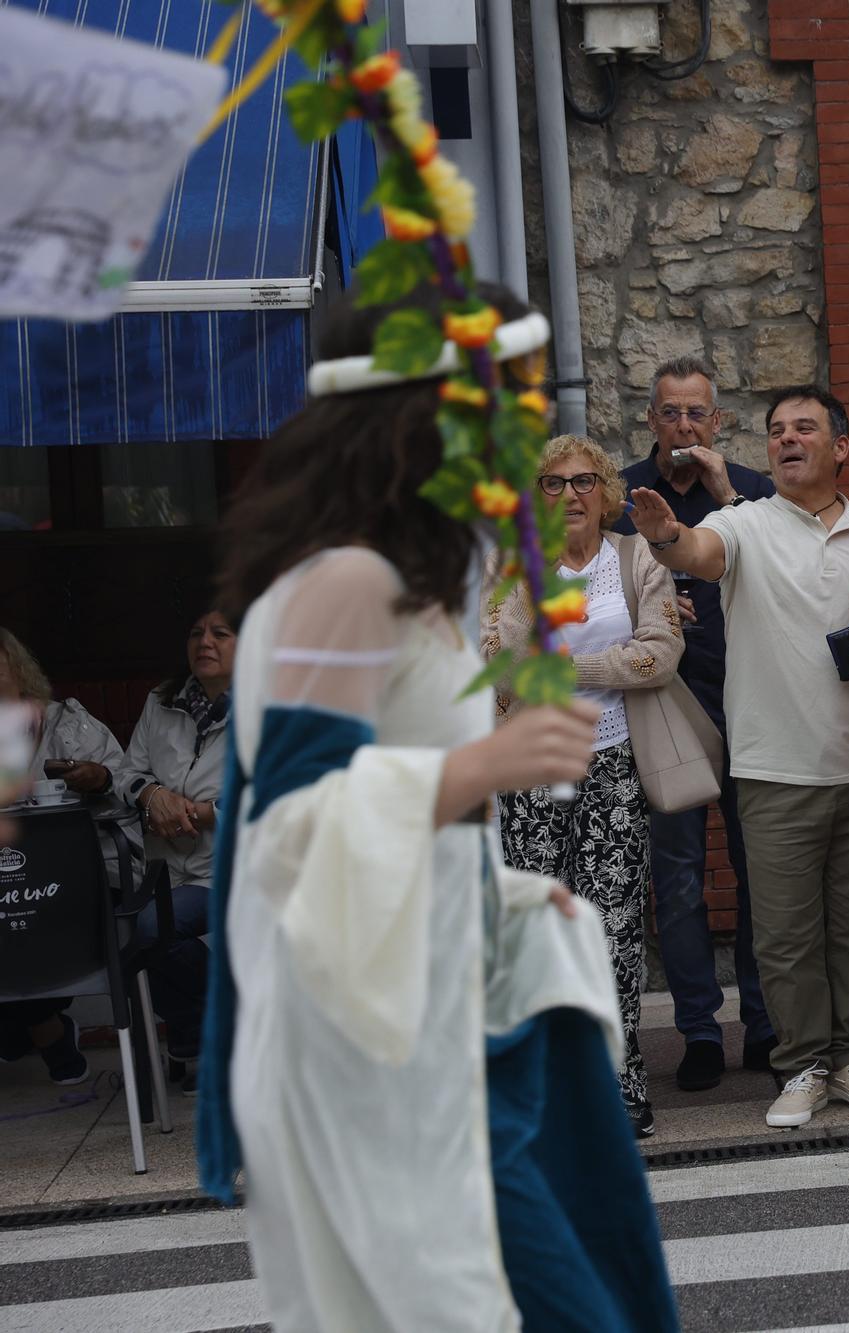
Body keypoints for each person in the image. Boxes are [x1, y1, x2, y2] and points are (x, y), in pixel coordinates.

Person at [204, 287, 676, 1331]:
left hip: (428, 1005)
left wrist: (500, 895)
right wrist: (489, 764)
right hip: (362, 1033)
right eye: (505, 393)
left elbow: (392, 795)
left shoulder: (405, 581)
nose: (524, 424)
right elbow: (290, 822)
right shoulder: (344, 584)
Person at [631, 384, 849, 1132]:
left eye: (804, 428)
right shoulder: (743, 523)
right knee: (785, 935)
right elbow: (699, 551)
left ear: (840, 447)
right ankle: (802, 1065)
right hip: (774, 769)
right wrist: (664, 538)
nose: (787, 439)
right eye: (777, 430)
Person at [490, 433, 686, 1139]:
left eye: (582, 481)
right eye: (551, 482)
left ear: (605, 493)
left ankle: (619, 1080)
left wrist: (574, 668)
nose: (568, 494)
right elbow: (500, 663)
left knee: (614, 931)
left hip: (612, 767)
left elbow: (662, 651)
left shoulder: (634, 560)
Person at [614, 357, 777, 1091]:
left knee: (758, 871)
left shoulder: (752, 492)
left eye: (696, 413)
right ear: (649, 419)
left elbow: (785, 573)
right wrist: (642, 616)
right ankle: (700, 1030)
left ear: (718, 422)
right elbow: (571, 592)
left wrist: (728, 495)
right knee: (676, 878)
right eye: (670, 412)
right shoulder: (616, 496)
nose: (683, 426)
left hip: (747, 696)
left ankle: (766, 1023)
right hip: (661, 706)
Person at [114, 609, 235, 1086]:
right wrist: (153, 796)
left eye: (220, 633)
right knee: (135, 930)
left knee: (148, 929)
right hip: (164, 868)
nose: (204, 641)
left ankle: (202, 1023)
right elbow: (127, 773)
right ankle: (205, 1026)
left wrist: (202, 813)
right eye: (195, 633)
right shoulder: (162, 701)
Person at [0, 628, 122, 1084]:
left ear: (17, 665)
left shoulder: (66, 723)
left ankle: (22, 1031)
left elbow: (124, 791)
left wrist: (96, 778)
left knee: (31, 917)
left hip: (75, 880)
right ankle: (47, 1032)